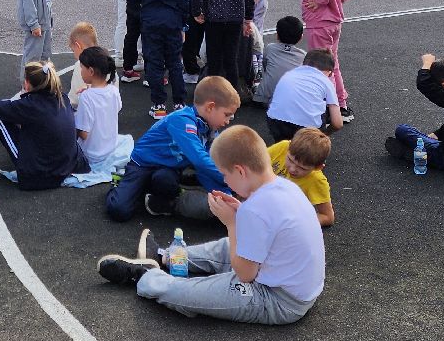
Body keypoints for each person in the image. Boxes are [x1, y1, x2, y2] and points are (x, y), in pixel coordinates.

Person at [97, 124, 326, 326]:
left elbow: (245, 275)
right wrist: (240, 216)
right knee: (229, 246)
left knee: (195, 294)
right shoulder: (284, 187)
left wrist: (233, 223)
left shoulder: (256, 209)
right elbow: (266, 228)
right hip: (294, 285)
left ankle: (145, 277)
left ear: (240, 171)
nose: (224, 181)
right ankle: (162, 256)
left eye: (225, 175)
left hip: (279, 300)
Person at [104, 75, 238, 222]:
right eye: (227, 115)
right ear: (210, 107)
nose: (227, 121)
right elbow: (200, 160)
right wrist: (230, 180)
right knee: (119, 210)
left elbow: (206, 167)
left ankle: (147, 192)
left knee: (166, 181)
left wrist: (228, 194)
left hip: (168, 168)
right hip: (143, 165)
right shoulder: (182, 120)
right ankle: (122, 181)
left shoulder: (209, 129)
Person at [299, 0, 368, 122]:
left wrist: (321, 1)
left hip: (319, 23)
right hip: (333, 23)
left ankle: (329, 107)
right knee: (333, 64)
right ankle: (341, 104)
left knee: (320, 66)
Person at [126, 0, 189, 119]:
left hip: (150, 21)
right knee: (175, 62)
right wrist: (184, 25)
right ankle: (179, 102)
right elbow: (183, 1)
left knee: (153, 63)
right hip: (171, 22)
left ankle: (159, 104)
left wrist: (141, 1)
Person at [266, 49, 343, 141]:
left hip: (276, 121)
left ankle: (282, 146)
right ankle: (310, 146)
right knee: (323, 108)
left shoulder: (290, 74)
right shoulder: (327, 82)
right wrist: (325, 134)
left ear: (303, 64)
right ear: (330, 72)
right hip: (307, 130)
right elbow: (337, 123)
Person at [269, 128, 335, 227]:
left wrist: (296, 223)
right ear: (289, 146)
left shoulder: (317, 181)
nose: (292, 169)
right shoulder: (283, 146)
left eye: (302, 168)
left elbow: (327, 217)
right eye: (290, 160)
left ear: (318, 167)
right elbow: (255, 163)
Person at [74, 46, 122, 171]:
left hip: (91, 156)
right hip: (110, 149)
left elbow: (83, 134)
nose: (81, 71)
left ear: (90, 71)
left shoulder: (86, 97)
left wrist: (71, 120)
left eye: (81, 68)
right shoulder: (113, 90)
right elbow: (115, 109)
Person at [256, 15, 305, 109]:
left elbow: (265, 66)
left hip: (265, 98)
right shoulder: (303, 55)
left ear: (277, 35)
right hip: (292, 101)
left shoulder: (270, 48)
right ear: (301, 37)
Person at [65, 21, 98, 106]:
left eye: (73, 50)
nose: (74, 55)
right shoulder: (109, 65)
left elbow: (74, 100)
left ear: (78, 46)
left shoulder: (81, 66)